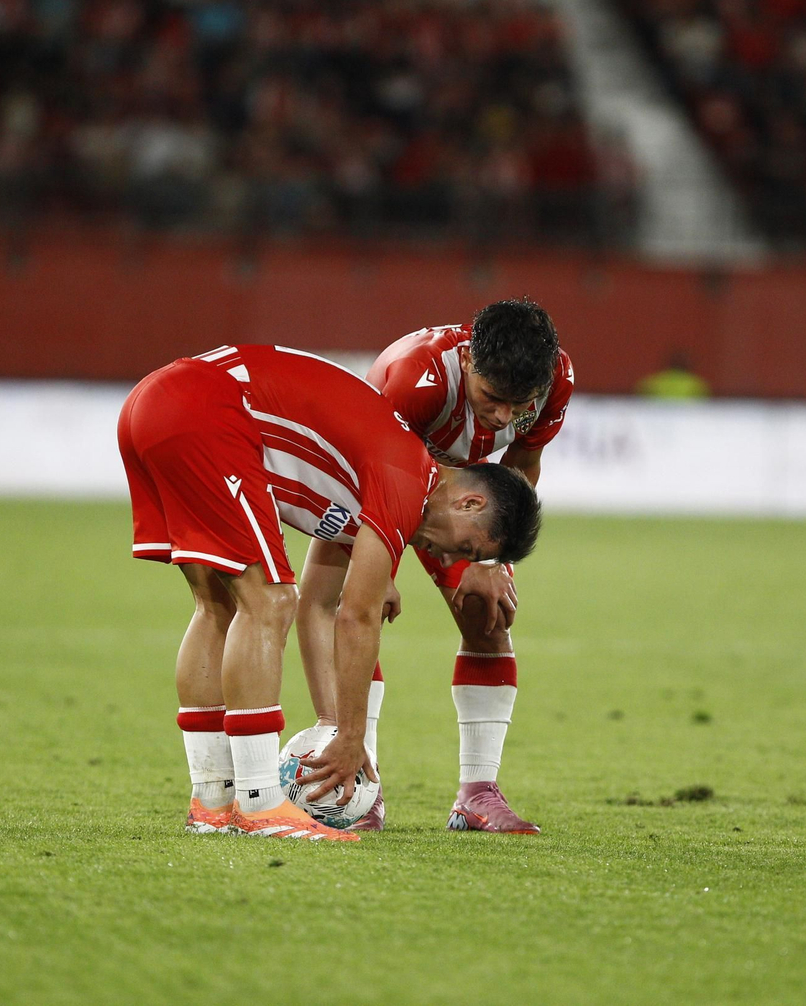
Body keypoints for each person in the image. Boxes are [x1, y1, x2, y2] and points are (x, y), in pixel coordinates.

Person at [117, 343, 542, 842]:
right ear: (469, 501)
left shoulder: (392, 471)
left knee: (218, 605)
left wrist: (378, 569)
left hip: (155, 402)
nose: (449, 561)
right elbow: (354, 616)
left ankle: (212, 801)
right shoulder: (409, 475)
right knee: (270, 600)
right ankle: (259, 803)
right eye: (465, 546)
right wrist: (350, 735)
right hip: (206, 408)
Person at [295, 300, 572, 833]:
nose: (502, 417)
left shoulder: (556, 378)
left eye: (521, 405)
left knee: (488, 617)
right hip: (368, 484)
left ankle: (477, 795)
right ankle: (361, 790)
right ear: (469, 360)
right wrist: (379, 565)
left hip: (459, 500)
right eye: (493, 398)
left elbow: (521, 468)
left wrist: (489, 559)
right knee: (351, 608)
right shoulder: (414, 378)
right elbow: (361, 466)